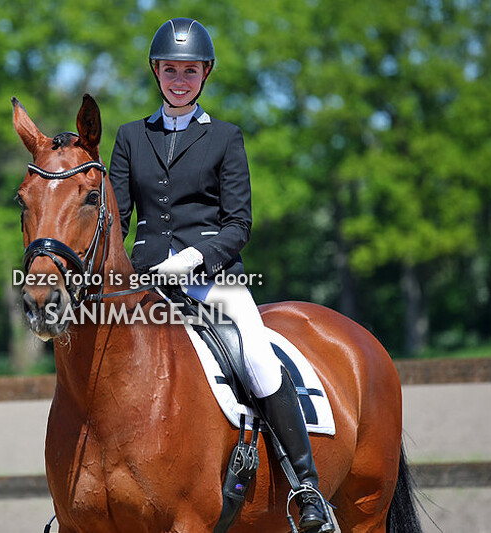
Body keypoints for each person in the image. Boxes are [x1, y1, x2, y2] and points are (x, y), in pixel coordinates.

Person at [108, 17, 330, 531]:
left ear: (204, 73)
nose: (178, 79)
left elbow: (239, 224)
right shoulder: (129, 138)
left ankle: (305, 484)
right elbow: (119, 219)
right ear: (156, 72)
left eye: (189, 70)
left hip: (214, 281)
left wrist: (196, 258)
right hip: (146, 280)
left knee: (256, 352)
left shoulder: (225, 138)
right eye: (169, 70)